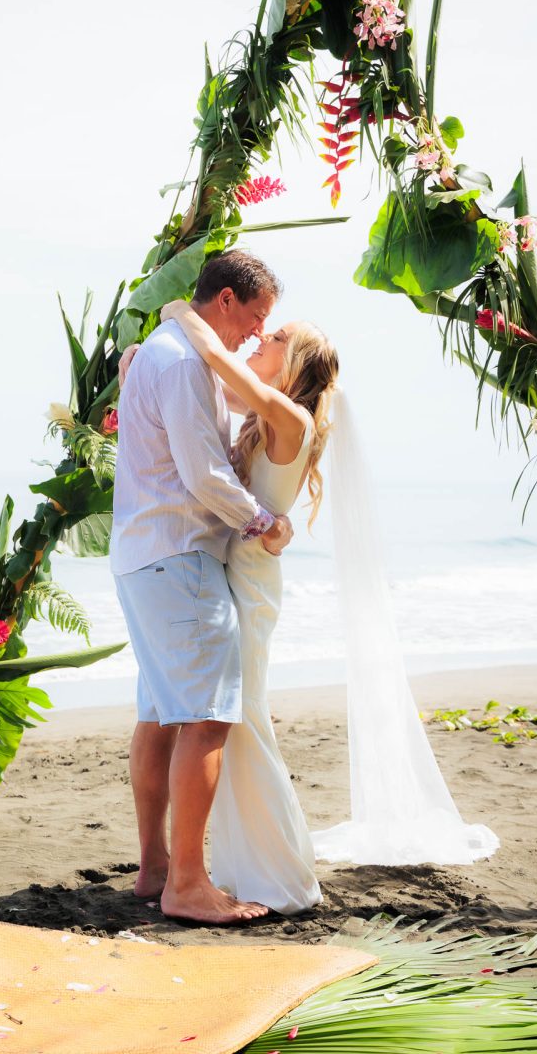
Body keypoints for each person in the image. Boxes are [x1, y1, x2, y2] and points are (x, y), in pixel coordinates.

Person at [109, 250, 294, 925]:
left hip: (142, 554)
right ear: (225, 302)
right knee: (208, 717)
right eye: (256, 316)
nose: (255, 330)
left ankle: (156, 865)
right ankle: (186, 883)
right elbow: (202, 473)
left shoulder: (163, 350)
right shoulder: (185, 361)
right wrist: (264, 521)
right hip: (178, 556)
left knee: (160, 712)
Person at [159, 299, 337, 914]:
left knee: (247, 723)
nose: (260, 337)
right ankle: (246, 867)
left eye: (277, 336)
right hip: (237, 570)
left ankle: (283, 877)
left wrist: (179, 310)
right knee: (235, 726)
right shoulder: (265, 417)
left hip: (251, 584)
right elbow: (202, 395)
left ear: (298, 364)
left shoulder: (289, 416)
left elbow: (213, 357)